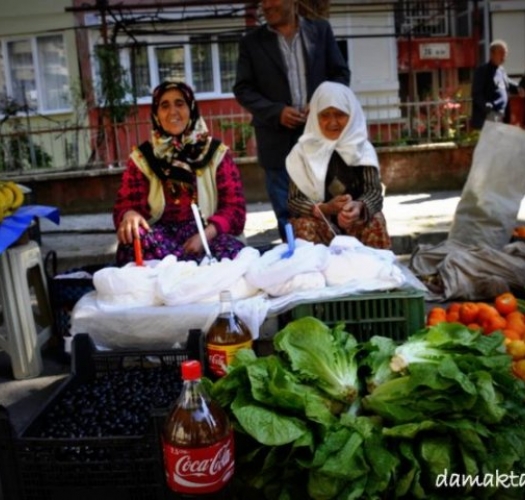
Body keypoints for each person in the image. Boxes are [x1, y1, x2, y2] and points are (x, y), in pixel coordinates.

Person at [233, 0, 350, 240]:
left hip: (321, 141)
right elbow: (243, 89)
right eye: (262, 1)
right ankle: (297, 270)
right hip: (276, 146)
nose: (266, 5)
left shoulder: (320, 31)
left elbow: (340, 73)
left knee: (333, 213)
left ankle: (335, 268)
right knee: (289, 219)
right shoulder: (251, 42)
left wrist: (321, 102)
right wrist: (276, 112)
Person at [113, 81, 246, 265]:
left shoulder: (216, 153)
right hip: (160, 239)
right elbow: (126, 205)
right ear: (156, 114)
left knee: (233, 255)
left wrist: (205, 236)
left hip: (207, 233)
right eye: (164, 105)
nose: (173, 111)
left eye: (180, 103)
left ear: (191, 108)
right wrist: (129, 214)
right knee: (133, 243)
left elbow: (235, 209)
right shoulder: (143, 158)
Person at [286, 81, 391, 249]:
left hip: (355, 223)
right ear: (315, 117)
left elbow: (374, 192)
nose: (333, 122)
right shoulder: (302, 152)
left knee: (376, 220)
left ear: (351, 115)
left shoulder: (362, 148)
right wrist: (324, 209)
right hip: (321, 224)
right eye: (325, 115)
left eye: (340, 114)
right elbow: (294, 200)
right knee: (304, 226)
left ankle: (374, 274)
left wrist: (359, 207)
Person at [470, 39, 525, 130]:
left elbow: (508, 83)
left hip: (502, 114)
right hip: (491, 115)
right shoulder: (482, 71)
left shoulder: (501, 70)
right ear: (492, 54)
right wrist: (486, 107)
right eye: (501, 53)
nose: (504, 56)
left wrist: (519, 88)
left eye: (505, 53)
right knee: (491, 142)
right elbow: (476, 93)